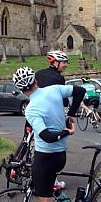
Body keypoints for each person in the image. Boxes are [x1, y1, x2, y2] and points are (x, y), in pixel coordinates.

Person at [14, 66, 85, 202]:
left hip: (46, 157)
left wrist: (66, 131)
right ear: (36, 81)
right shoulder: (54, 89)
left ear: (21, 90)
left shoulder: (31, 109)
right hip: (59, 155)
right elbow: (80, 91)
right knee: (43, 201)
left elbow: (46, 136)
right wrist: (71, 115)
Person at [33, 50, 69, 189]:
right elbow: (63, 100)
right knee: (52, 148)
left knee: (29, 140)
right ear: (55, 63)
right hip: (50, 115)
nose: (66, 65)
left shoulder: (38, 73)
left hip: (35, 112)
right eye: (64, 62)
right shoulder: (59, 78)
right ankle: (52, 181)